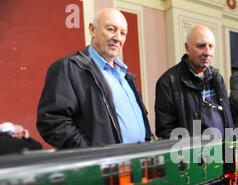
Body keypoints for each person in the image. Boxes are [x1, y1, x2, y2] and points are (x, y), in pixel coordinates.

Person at [37, 8, 153, 149]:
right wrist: (93, 154)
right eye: (111, 29)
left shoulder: (126, 75)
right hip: (104, 167)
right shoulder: (69, 68)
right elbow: (52, 122)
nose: (118, 37)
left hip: (139, 163)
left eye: (123, 33)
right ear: (92, 30)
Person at [154, 25, 234, 139]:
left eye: (211, 46)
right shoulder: (168, 82)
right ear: (187, 48)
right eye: (201, 46)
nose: (207, 52)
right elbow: (165, 130)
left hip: (224, 152)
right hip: (193, 155)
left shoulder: (217, 77)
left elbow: (228, 117)